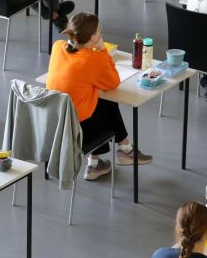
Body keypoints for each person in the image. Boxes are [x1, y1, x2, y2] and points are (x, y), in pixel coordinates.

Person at [45, 13, 151, 181]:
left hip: (55, 124)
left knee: (97, 97)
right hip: (80, 131)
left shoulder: (58, 46)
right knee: (108, 101)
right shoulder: (91, 59)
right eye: (99, 30)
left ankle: (101, 161)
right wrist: (102, 51)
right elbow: (113, 82)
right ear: (93, 37)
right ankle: (123, 152)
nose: (101, 33)